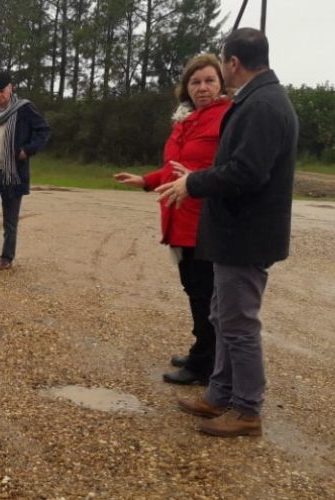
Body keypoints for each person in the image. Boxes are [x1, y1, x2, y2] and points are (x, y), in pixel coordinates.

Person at [156, 28, 299, 437]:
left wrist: (194, 183)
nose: (218, 71)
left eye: (221, 62)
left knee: (238, 323)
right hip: (232, 231)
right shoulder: (256, 99)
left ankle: (247, 409)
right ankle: (219, 394)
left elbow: (247, 172)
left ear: (233, 63)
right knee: (222, 315)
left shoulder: (264, 105)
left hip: (246, 234)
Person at [114, 54, 231, 386]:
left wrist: (198, 179)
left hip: (205, 223)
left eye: (209, 80)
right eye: (195, 82)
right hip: (178, 220)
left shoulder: (227, 117)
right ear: (186, 88)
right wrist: (146, 180)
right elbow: (173, 167)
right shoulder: (184, 121)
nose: (202, 87)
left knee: (205, 294)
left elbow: (229, 169)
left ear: (221, 83)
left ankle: (204, 365)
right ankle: (203, 351)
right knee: (194, 289)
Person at [0, 71, 51, 273]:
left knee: (10, 220)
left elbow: (44, 131)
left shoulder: (24, 109)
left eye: (2, 91)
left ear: (10, 88)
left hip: (13, 175)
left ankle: (6, 258)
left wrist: (27, 150)